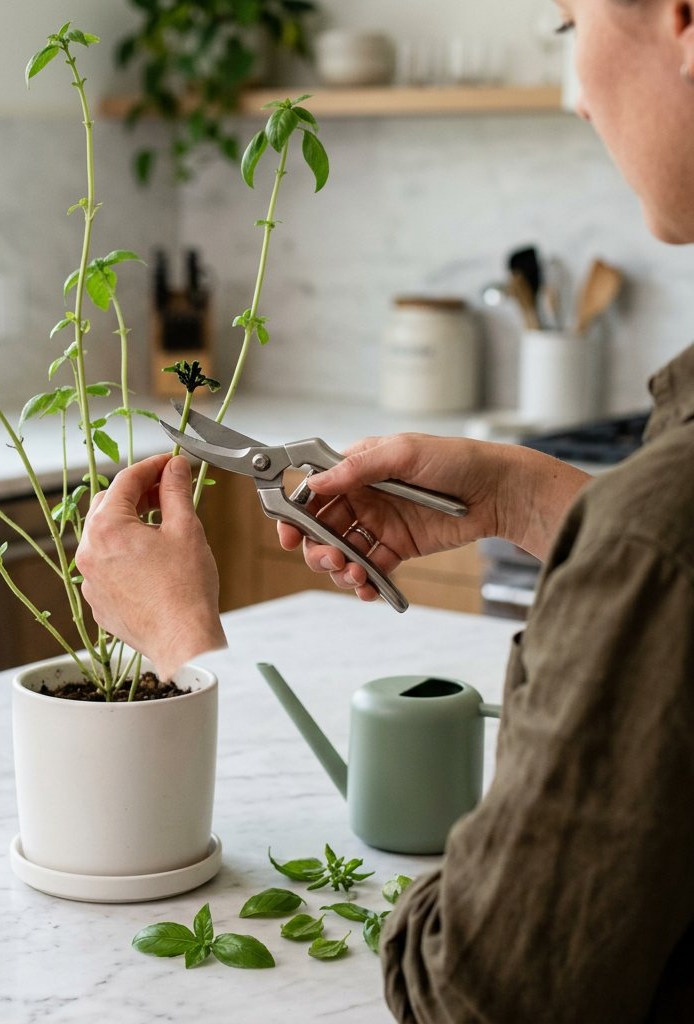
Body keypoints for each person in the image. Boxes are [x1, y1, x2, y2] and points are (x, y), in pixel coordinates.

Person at [75, 0, 694, 1018]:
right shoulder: (651, 527)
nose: (573, 94)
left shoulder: (656, 536)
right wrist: (522, 494)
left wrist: (187, 650)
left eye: (568, 24)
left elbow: (471, 988)